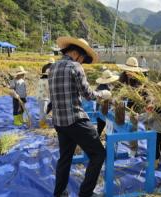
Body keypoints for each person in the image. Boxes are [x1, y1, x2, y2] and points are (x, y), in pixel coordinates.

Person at [49, 36, 111, 197]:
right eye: (83, 59)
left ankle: (59, 193)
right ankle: (85, 193)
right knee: (99, 154)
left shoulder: (53, 67)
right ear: (77, 54)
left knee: (65, 158)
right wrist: (103, 94)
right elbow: (88, 95)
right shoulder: (75, 66)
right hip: (75, 120)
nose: (82, 62)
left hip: (59, 122)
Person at [117, 57, 148, 156]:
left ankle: (154, 149)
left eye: (130, 71)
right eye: (127, 70)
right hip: (132, 106)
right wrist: (117, 97)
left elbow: (144, 94)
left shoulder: (141, 78)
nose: (128, 72)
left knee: (149, 126)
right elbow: (118, 88)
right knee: (132, 126)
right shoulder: (123, 76)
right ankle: (134, 149)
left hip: (144, 104)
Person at [95, 70, 119, 136]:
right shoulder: (103, 89)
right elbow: (107, 99)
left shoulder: (101, 86)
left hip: (101, 110)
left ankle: (99, 138)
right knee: (104, 128)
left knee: (100, 128)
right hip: (104, 110)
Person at [36, 60, 55, 129]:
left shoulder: (41, 79)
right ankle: (42, 124)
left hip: (40, 97)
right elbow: (49, 90)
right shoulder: (47, 81)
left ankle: (42, 121)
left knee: (43, 110)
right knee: (43, 111)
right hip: (44, 98)